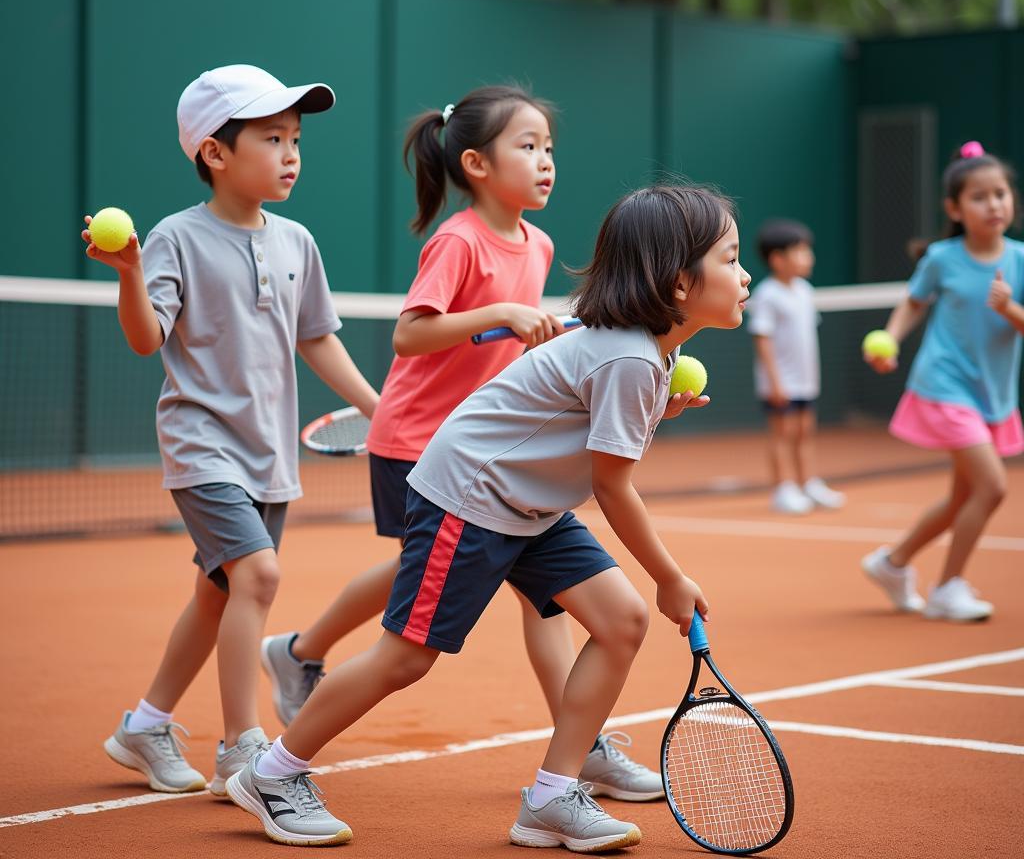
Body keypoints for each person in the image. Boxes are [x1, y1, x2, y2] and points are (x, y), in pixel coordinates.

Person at [225, 183, 751, 851]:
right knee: (407, 657)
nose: (744, 275)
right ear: (680, 283)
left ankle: (552, 798)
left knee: (620, 621)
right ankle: (273, 774)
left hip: (527, 502)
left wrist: (657, 409)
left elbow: (580, 419)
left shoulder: (647, 352)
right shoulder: (628, 355)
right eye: (731, 259)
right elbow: (612, 486)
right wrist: (670, 577)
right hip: (471, 498)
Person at [261, 85, 662, 801]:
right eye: (528, 147)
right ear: (476, 164)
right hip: (421, 439)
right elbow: (410, 335)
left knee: (536, 598)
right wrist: (502, 312)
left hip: (491, 445)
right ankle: (301, 653)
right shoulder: (457, 240)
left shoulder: (536, 243)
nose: (546, 162)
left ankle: (581, 748)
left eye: (550, 149)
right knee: (423, 592)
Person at [83, 64, 379, 796]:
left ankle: (144, 726)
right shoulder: (173, 239)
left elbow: (318, 338)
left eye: (296, 139)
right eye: (272, 138)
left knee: (219, 593)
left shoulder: (298, 242)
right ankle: (243, 747)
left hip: (270, 454)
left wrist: (380, 406)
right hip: (201, 443)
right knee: (259, 575)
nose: (291, 154)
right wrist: (128, 272)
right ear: (215, 154)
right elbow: (148, 339)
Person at [861, 141, 1024, 621]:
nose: (993, 204)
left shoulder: (1018, 259)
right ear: (954, 208)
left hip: (991, 394)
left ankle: (892, 563)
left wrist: (1008, 308)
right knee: (991, 488)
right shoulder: (941, 258)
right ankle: (948, 587)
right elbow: (914, 301)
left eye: (1000, 194)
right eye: (979, 196)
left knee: (962, 497)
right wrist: (889, 338)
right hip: (944, 384)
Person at [747, 219, 846, 514]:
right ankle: (783, 490)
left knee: (805, 431)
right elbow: (762, 340)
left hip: (805, 380)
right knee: (782, 434)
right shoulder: (767, 295)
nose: (809, 258)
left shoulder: (804, 290)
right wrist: (775, 381)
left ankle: (808, 483)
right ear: (777, 259)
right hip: (780, 381)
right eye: (801, 252)